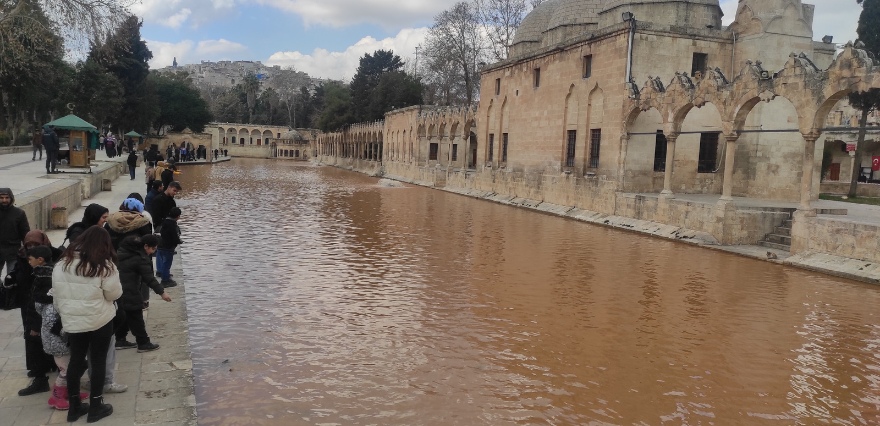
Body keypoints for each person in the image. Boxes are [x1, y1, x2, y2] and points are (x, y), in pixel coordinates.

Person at [52, 226, 121, 423]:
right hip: (99, 320)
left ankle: (74, 407)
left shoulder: (61, 264)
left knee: (75, 360)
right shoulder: (104, 266)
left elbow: (56, 295)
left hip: (73, 321)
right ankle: (96, 406)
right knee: (98, 361)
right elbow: (113, 294)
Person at [28, 245, 90, 410]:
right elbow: (53, 326)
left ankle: (69, 392)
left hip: (61, 342)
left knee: (73, 367)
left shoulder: (53, 303)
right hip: (58, 344)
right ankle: (56, 397)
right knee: (66, 370)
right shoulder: (51, 308)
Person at [6, 231, 58, 396]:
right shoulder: (23, 257)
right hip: (27, 303)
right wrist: (12, 277)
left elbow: (44, 299)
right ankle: (38, 371)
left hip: (42, 308)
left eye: (35, 246)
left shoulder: (50, 263)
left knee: (43, 337)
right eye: (29, 246)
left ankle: (46, 371)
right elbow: (17, 272)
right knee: (32, 339)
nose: (31, 249)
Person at [116, 235, 171, 351]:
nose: (153, 252)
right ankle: (143, 343)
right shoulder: (140, 259)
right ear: (146, 246)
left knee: (126, 315)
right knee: (136, 318)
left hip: (119, 289)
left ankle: (120, 339)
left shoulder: (123, 253)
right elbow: (149, 278)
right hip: (130, 291)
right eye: (153, 249)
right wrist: (162, 292)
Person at [0, 188, 30, 276]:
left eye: (7, 197)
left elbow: (25, 233)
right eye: (1, 198)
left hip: (13, 251)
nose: (4, 200)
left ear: (11, 198)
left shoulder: (19, 213)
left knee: (12, 277)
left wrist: (28, 249)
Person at [157, 207, 182, 288]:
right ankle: (165, 280)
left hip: (161, 245)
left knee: (164, 263)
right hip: (168, 247)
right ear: (177, 216)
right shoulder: (172, 225)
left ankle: (165, 276)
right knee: (167, 264)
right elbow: (174, 237)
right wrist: (178, 241)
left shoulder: (165, 221)